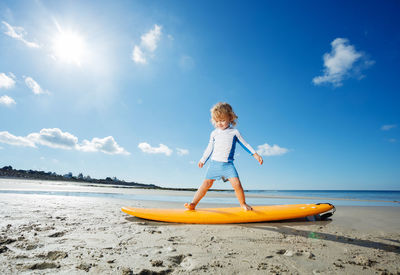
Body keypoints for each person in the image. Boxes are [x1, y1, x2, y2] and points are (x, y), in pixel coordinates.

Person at [184, 102, 263, 211]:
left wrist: (255, 154)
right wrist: (203, 159)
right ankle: (193, 204)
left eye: (222, 120)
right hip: (214, 164)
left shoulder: (234, 132)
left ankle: (243, 204)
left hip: (228, 165)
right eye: (217, 121)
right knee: (205, 184)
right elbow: (209, 148)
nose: (219, 123)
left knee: (237, 184)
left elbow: (245, 144)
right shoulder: (214, 133)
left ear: (230, 118)